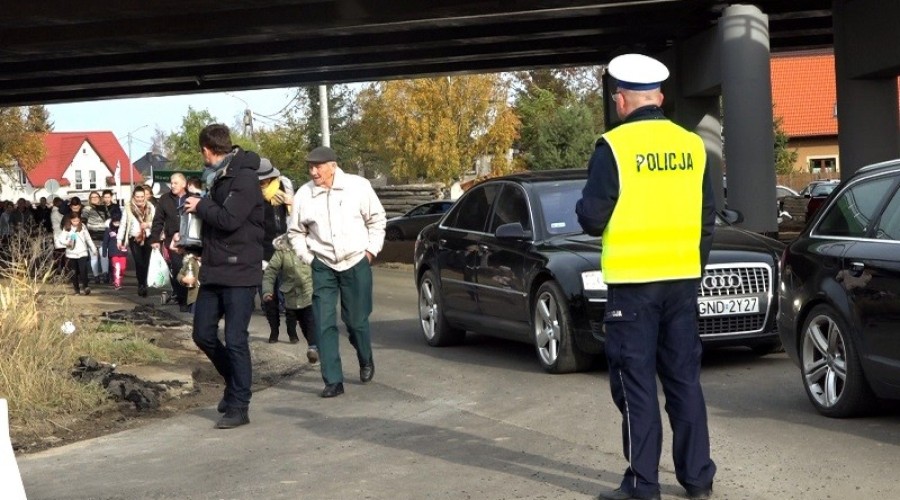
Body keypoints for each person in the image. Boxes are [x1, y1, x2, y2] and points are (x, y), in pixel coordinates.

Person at [575, 53, 716, 500]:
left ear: (620, 99)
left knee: (636, 384)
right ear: (659, 96)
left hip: (633, 288)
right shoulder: (693, 145)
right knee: (684, 381)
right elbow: (707, 217)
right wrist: (694, 267)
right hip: (681, 282)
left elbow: (593, 219)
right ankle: (698, 479)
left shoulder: (613, 148)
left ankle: (643, 484)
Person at [182, 123, 265, 429]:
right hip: (216, 267)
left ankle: (240, 405)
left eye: (201, 151)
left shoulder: (243, 177)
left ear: (207, 149)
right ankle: (234, 383)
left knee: (235, 339)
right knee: (202, 333)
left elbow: (230, 219)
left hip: (241, 270)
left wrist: (201, 205)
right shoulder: (218, 177)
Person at [288, 146, 386, 398]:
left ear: (332, 165)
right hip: (323, 264)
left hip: (356, 261)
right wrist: (309, 258)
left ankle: (365, 358)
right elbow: (296, 232)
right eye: (310, 167)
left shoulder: (357, 186)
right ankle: (333, 380)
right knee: (323, 323)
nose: (313, 171)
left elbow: (377, 219)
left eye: (318, 166)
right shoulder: (304, 195)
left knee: (356, 321)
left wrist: (371, 251)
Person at [262, 234, 318, 363]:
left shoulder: (312, 244)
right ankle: (309, 343)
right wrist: (267, 291)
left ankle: (313, 347)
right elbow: (270, 272)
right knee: (301, 323)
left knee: (310, 321)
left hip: (310, 291)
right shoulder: (282, 249)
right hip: (291, 295)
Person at [257, 158, 293, 343]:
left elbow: (296, 215)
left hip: (286, 246)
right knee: (267, 293)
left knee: (288, 292)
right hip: (262, 248)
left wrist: (290, 201)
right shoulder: (252, 193)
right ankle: (274, 330)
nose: (262, 183)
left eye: (265, 179)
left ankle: (292, 330)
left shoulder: (285, 186)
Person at [150, 173, 190, 312]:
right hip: (173, 242)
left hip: (191, 241)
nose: (172, 185)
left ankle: (194, 300)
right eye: (171, 183)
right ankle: (182, 300)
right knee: (178, 269)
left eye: (176, 183)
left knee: (193, 269)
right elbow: (158, 220)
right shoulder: (165, 199)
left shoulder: (192, 198)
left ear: (184, 184)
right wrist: (155, 238)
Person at [118, 187, 156, 297]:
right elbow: (123, 223)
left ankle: (144, 283)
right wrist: (119, 239)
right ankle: (141, 285)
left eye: (142, 197)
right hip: (134, 238)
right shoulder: (128, 208)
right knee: (139, 262)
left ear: (145, 196)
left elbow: (156, 222)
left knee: (146, 262)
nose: (139, 199)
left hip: (148, 237)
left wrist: (148, 225)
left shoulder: (150, 207)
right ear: (133, 197)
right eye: (137, 197)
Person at [57, 211, 98, 295]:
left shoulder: (83, 227)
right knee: (73, 272)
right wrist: (67, 243)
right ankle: (76, 289)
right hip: (71, 254)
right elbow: (61, 239)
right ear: (70, 220)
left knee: (83, 270)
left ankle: (85, 286)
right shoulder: (67, 228)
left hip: (82, 252)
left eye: (77, 220)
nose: (76, 222)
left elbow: (88, 239)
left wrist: (93, 249)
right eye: (74, 220)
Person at [82, 191, 111, 283]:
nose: (94, 198)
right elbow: (83, 221)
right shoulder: (87, 208)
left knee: (104, 256)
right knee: (94, 256)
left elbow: (109, 218)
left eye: (96, 197)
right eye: (92, 197)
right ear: (90, 199)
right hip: (92, 236)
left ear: (99, 198)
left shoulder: (104, 207)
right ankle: (96, 276)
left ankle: (105, 274)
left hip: (103, 235)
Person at [102, 212, 128, 290]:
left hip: (123, 252)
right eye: (115, 222)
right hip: (113, 253)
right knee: (116, 268)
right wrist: (104, 251)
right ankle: (117, 283)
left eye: (118, 222)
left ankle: (118, 279)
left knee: (122, 268)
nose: (117, 224)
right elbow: (105, 242)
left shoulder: (124, 231)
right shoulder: (108, 230)